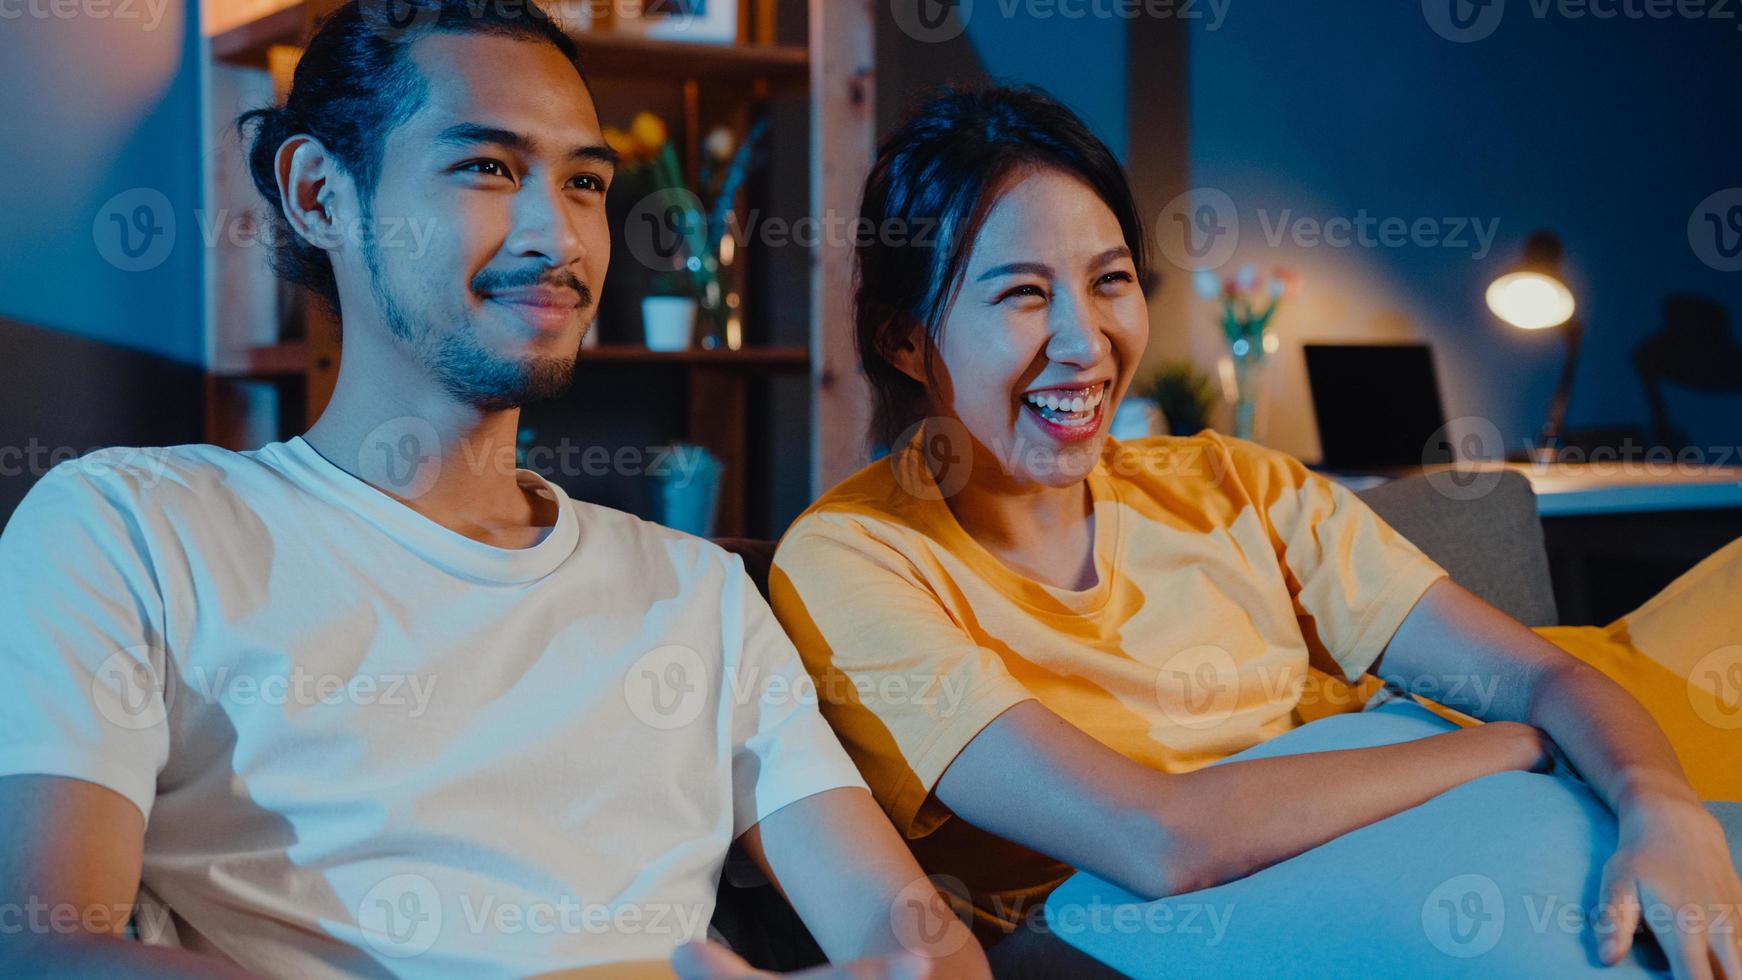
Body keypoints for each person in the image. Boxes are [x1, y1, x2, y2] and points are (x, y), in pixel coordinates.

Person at [0, 3, 987, 977]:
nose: (556, 236)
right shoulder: (131, 527)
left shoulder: (699, 594)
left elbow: (919, 945)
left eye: (586, 180)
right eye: (487, 166)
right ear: (319, 193)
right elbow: (45, 946)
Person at [767, 85, 1742, 978]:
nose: (1084, 340)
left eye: (1110, 281)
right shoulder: (856, 556)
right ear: (905, 340)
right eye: (1021, 295)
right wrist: (1511, 744)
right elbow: (1160, 837)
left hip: (1483, 853)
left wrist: (1656, 803)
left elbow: (1544, 673)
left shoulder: (1234, 483)